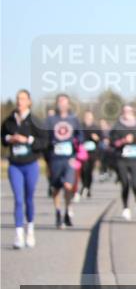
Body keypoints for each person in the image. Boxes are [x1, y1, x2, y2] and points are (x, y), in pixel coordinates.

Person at [3, 90, 48, 249]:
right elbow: (3, 138)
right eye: (17, 99)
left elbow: (44, 142)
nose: (19, 101)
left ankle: (30, 230)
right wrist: (10, 138)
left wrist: (27, 139)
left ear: (29, 101)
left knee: (29, 198)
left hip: (31, 165)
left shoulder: (35, 121)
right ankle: (18, 234)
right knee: (18, 199)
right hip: (15, 165)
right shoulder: (9, 120)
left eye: (22, 99)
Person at [44, 94, 82, 228]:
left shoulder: (74, 119)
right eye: (60, 101)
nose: (62, 104)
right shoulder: (50, 120)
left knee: (68, 186)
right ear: (56, 104)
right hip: (55, 158)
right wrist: (47, 157)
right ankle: (58, 212)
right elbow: (45, 139)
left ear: (69, 104)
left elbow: (80, 136)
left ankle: (67, 211)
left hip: (69, 158)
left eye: (64, 102)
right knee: (56, 188)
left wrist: (77, 152)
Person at [110, 104, 136, 220]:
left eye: (129, 111)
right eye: (125, 111)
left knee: (135, 184)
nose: (127, 113)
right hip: (121, 159)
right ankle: (125, 208)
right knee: (125, 184)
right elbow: (112, 142)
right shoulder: (117, 125)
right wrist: (123, 141)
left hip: (134, 158)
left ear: (133, 112)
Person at [79, 111, 101, 199]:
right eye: (86, 117)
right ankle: (84, 185)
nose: (88, 118)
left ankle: (88, 188)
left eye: (89, 117)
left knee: (89, 171)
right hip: (82, 152)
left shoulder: (96, 128)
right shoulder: (80, 127)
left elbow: (101, 140)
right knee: (83, 170)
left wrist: (97, 138)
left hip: (92, 152)